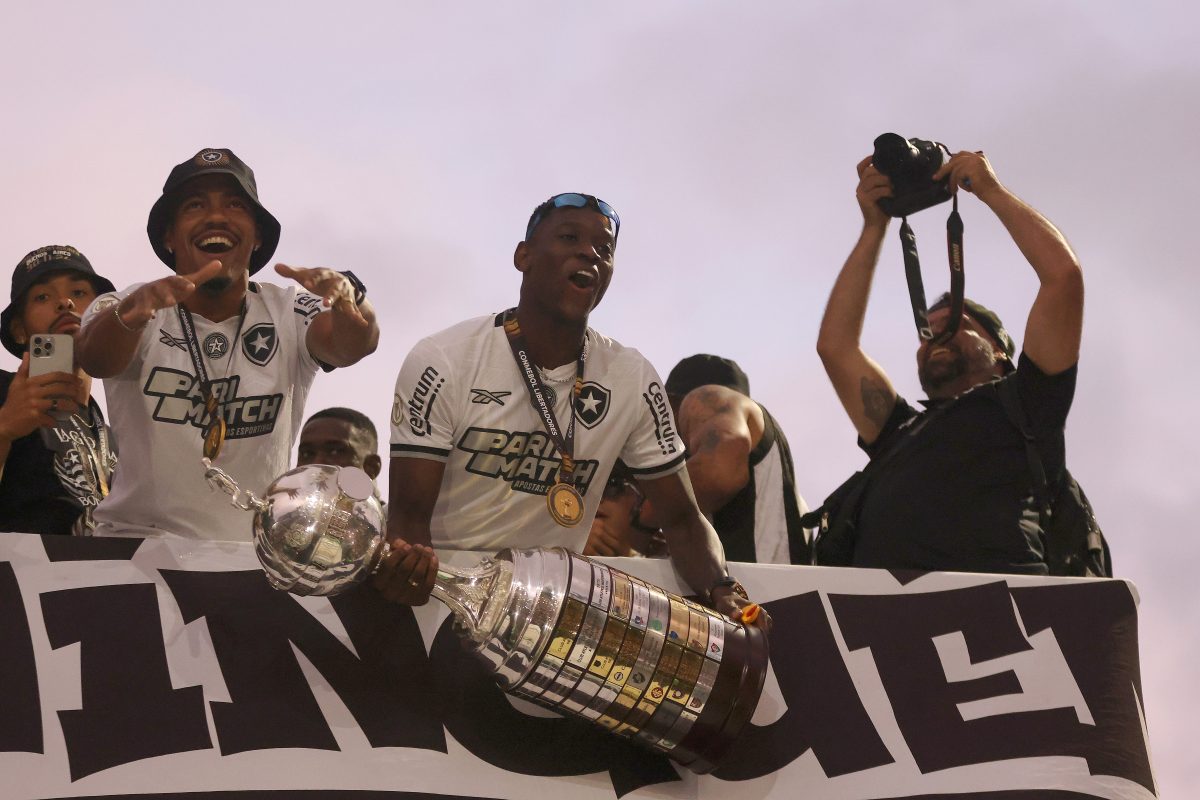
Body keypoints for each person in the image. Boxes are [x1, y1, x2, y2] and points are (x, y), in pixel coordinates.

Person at [376, 193, 764, 624]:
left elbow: (683, 520)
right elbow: (408, 519)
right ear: (523, 256)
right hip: (445, 597)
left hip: (547, 614)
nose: (589, 252)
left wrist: (724, 591)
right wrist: (407, 569)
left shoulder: (630, 377)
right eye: (569, 237)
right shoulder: (444, 358)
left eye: (605, 249)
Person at [76, 148, 379, 540]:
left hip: (250, 557)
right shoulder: (126, 305)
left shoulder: (289, 309)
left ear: (257, 237)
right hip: (135, 547)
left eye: (235, 205)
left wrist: (351, 302)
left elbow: (352, 345)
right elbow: (94, 358)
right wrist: (131, 316)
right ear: (169, 236)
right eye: (195, 205)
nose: (216, 216)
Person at [815, 150, 1084, 574]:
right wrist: (875, 226)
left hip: (999, 616)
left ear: (999, 350)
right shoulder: (899, 429)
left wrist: (991, 192)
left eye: (955, 323)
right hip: (887, 625)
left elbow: (1062, 279)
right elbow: (836, 347)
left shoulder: (1027, 402)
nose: (935, 336)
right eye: (927, 330)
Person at [0, 246, 117, 534]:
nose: (65, 302)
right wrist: (4, 428)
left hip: (104, 575)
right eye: (42, 297)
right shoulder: (3, 391)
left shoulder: (114, 435)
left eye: (78, 293)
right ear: (18, 330)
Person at [653, 354, 809, 565]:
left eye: (665, 409)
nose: (661, 422)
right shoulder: (787, 502)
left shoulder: (710, 401)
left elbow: (717, 473)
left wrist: (640, 516)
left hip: (758, 593)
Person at [296, 406, 385, 510]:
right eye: (307, 454)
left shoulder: (399, 524)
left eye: (335, 452)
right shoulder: (279, 522)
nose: (317, 464)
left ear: (371, 467)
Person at [583, 460, 666, 558]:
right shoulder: (563, 549)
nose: (597, 498)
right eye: (584, 486)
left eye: (613, 484)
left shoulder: (663, 567)